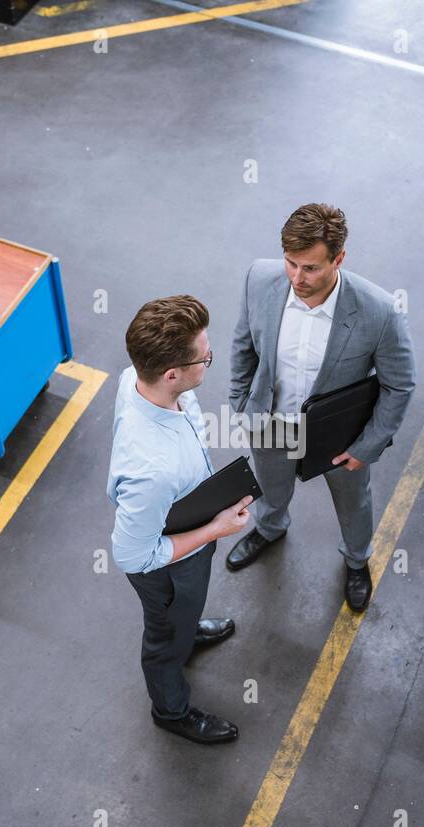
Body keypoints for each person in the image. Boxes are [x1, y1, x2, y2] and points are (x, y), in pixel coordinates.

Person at [226, 203, 416, 611]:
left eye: (310, 268)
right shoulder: (260, 279)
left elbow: (399, 385)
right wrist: (241, 403)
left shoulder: (379, 312)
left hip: (337, 436)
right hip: (271, 422)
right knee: (270, 485)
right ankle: (270, 528)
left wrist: (367, 446)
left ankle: (356, 559)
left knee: (353, 502)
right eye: (291, 263)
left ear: (339, 258)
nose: (297, 278)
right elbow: (243, 345)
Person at [108, 295, 252, 745]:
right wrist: (215, 529)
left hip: (184, 522)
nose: (209, 361)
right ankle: (170, 710)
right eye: (204, 358)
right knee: (164, 638)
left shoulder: (137, 378)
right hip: (167, 566)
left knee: (183, 618)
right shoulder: (152, 471)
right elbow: (133, 556)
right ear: (173, 373)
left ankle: (186, 632)